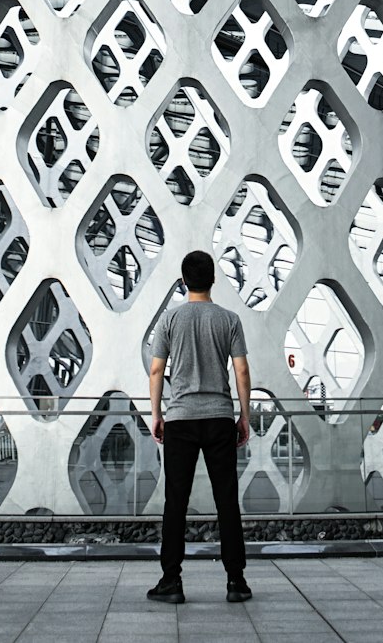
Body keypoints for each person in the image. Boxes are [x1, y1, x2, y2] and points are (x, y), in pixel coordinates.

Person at [146, 248, 252, 605]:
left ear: (183, 281)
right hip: (220, 417)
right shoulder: (229, 320)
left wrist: (157, 413)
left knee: (176, 501)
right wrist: (244, 416)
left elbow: (157, 370)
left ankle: (171, 581)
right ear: (213, 280)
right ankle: (236, 581)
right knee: (227, 501)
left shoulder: (170, 319)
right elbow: (240, 371)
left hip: (181, 419)